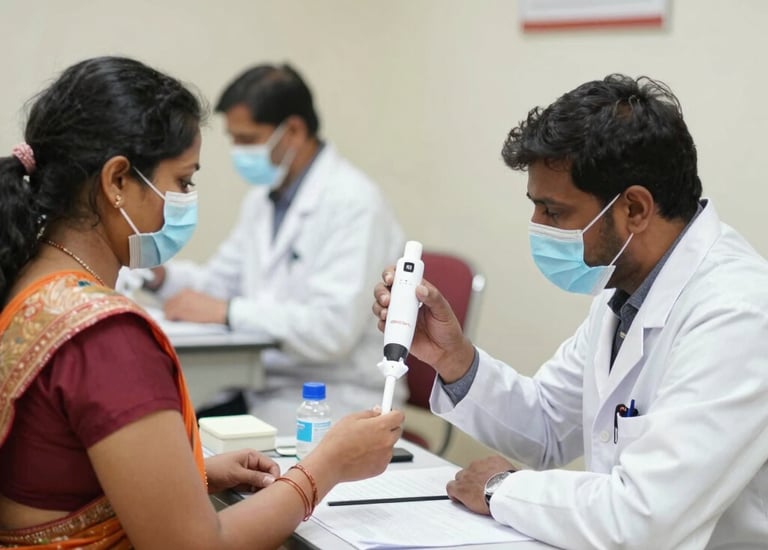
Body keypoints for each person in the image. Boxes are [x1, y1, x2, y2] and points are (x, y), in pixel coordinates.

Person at [0, 56, 404, 549]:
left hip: (331, 390)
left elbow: (63, 472)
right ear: (118, 181)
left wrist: (194, 475)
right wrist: (327, 467)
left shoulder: (27, 279)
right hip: (285, 406)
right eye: (183, 181)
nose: (186, 199)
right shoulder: (105, 337)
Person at [373, 74, 768, 549]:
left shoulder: (738, 313)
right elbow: (546, 427)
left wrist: (501, 490)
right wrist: (452, 358)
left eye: (554, 211)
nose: (537, 226)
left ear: (635, 209)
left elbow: (644, 518)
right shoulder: (626, 288)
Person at [139, 63, 405, 432]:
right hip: (263, 386)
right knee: (169, 424)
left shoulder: (355, 204)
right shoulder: (263, 200)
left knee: (188, 440)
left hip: (334, 397)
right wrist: (158, 276)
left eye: (248, 139)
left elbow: (331, 330)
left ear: (293, 131)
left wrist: (228, 313)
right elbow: (219, 283)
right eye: (234, 139)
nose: (238, 151)